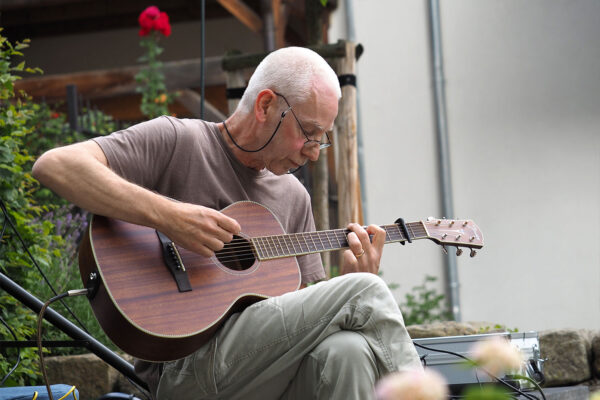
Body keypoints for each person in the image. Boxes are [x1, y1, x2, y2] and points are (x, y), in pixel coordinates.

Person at [33, 47, 421, 400]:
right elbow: (55, 166)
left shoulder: (293, 196)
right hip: (182, 369)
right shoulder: (179, 141)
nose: (315, 153)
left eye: (323, 139)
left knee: (346, 351)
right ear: (265, 105)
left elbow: (306, 314)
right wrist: (170, 217)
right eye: (308, 133)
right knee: (365, 291)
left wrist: (348, 278)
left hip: (264, 373)